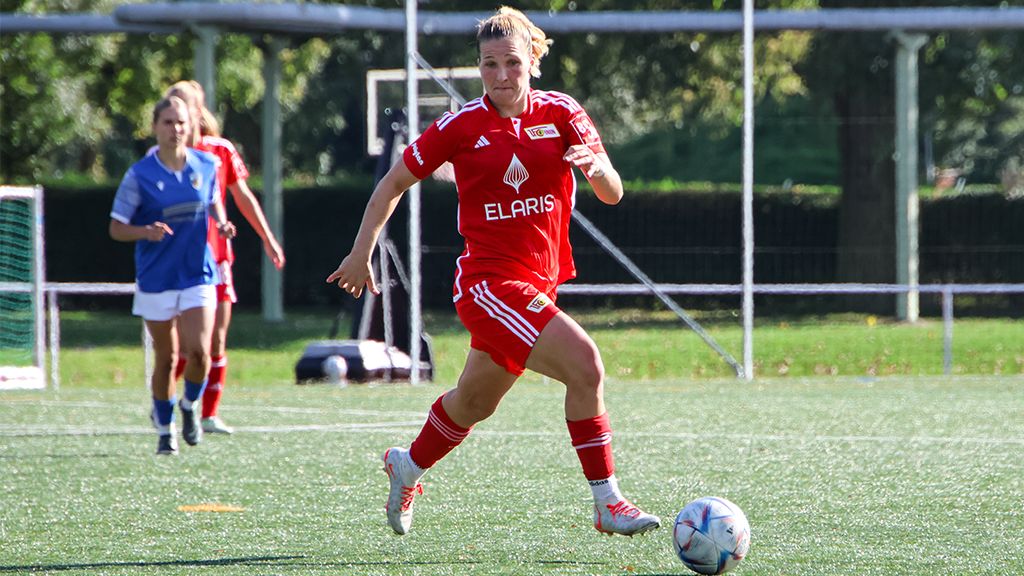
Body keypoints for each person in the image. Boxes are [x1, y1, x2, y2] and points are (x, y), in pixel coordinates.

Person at [327, 6, 660, 537]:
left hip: (537, 284)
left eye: (511, 63)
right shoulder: (461, 126)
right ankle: (607, 502)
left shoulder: (563, 113)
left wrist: (598, 169)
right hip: (488, 285)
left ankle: (407, 465)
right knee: (586, 366)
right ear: (478, 67)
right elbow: (391, 184)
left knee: (474, 402)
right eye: (489, 65)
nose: (501, 76)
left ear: (533, 62)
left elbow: (612, 193)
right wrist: (360, 252)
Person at [110, 96, 237, 455]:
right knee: (166, 358)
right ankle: (165, 430)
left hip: (199, 273)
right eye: (167, 122)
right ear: (155, 127)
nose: (175, 129)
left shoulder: (207, 164)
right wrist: (144, 231)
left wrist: (222, 224)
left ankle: (190, 406)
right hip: (157, 277)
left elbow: (213, 203)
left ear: (191, 126)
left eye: (181, 123)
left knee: (200, 354)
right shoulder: (140, 174)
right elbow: (116, 228)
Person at [164, 80, 286, 435]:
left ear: (198, 111)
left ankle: (208, 414)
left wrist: (267, 238)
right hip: (179, 262)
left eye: (187, 106)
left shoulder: (219, 150)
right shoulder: (164, 156)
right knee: (187, 345)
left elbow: (243, 196)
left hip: (217, 260)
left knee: (216, 339)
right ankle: (167, 404)